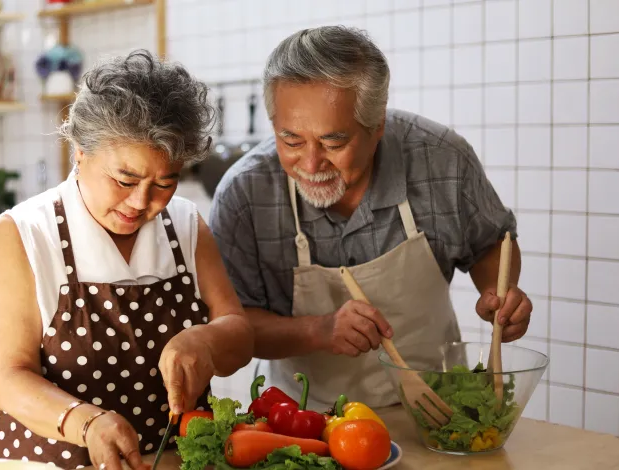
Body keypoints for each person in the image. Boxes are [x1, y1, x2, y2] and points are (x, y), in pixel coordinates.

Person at [208, 26, 532, 412]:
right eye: (291, 140)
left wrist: (499, 294)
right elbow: (234, 326)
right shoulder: (244, 194)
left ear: (377, 125)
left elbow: (491, 243)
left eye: (333, 142)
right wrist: (319, 330)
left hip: (436, 411)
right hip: (304, 420)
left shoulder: (441, 159)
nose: (310, 164)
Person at [0, 49, 254, 470]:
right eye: (125, 179)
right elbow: (7, 377)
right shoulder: (26, 233)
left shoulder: (185, 225)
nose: (142, 202)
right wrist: (85, 422)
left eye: (165, 183)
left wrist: (207, 341)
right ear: (80, 151)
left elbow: (240, 334)